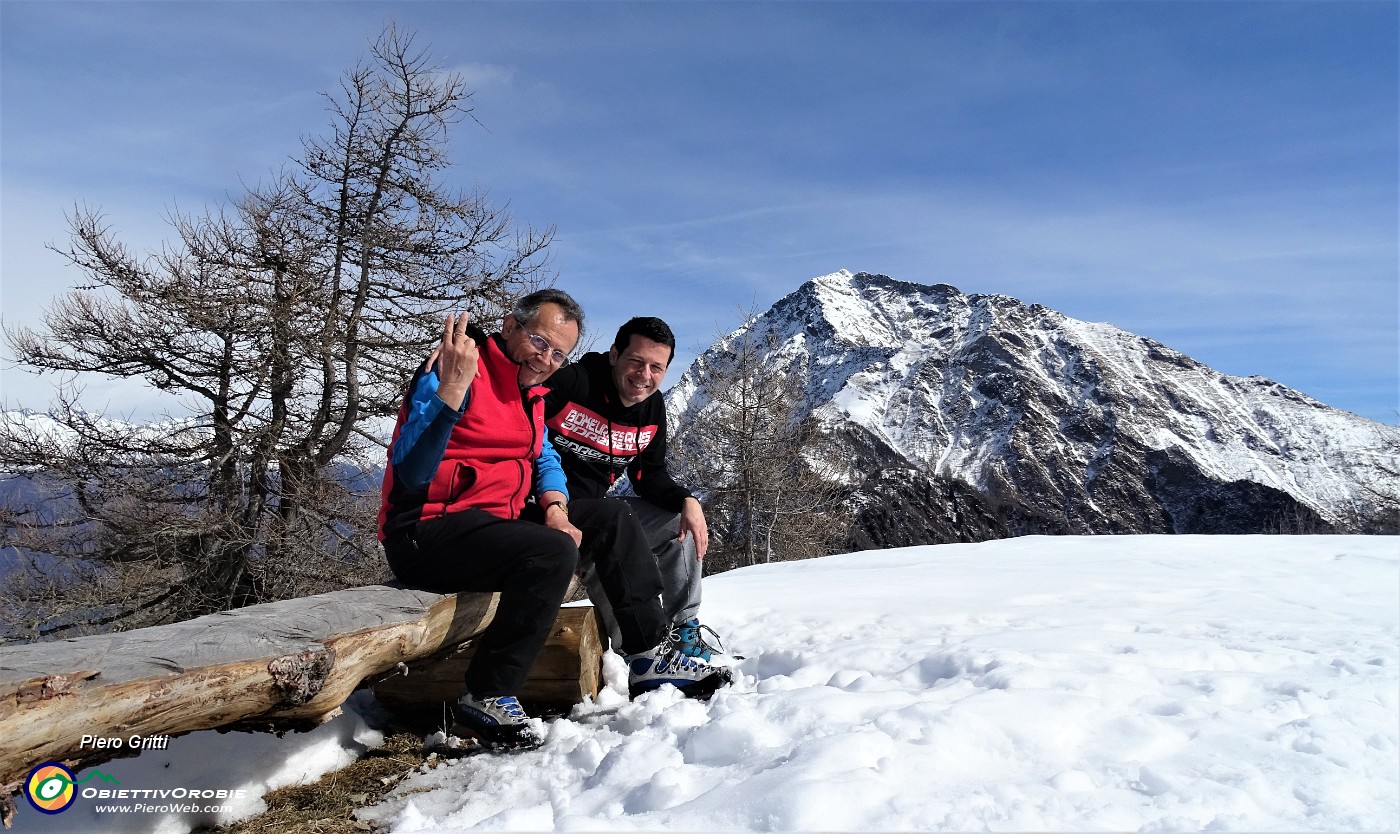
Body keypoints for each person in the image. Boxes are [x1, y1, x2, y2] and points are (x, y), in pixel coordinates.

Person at [379, 293, 722, 752]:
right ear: (510, 327)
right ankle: (488, 695)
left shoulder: (532, 393)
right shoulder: (457, 368)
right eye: (539, 342)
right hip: (427, 530)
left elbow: (544, 458)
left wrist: (557, 508)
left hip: (496, 524)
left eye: (558, 352)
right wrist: (450, 393)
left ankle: (647, 656)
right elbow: (411, 469)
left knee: (611, 515)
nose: (546, 359)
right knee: (551, 552)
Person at [543, 316, 731, 666]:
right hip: (543, 512)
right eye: (636, 361)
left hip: (594, 514)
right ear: (614, 355)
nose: (644, 375)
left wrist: (686, 500)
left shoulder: (652, 407)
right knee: (612, 533)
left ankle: (684, 632)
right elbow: (519, 424)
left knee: (679, 523)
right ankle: (639, 653)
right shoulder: (572, 384)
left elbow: (649, 476)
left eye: (656, 367)